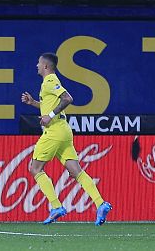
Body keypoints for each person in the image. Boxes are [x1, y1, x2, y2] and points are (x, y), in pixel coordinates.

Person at [20, 53, 112, 225]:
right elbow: (50, 105)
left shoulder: (50, 81)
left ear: (46, 66)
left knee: (35, 168)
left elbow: (68, 98)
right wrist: (33, 103)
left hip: (54, 131)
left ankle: (56, 206)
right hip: (64, 131)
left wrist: (50, 116)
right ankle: (100, 203)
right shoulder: (48, 83)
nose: (36, 65)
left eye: (39, 63)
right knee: (76, 172)